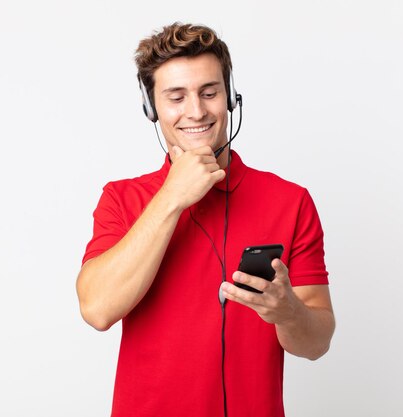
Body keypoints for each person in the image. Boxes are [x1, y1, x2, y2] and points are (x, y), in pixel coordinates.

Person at [76, 22, 335, 417]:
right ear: (152, 108)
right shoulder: (121, 199)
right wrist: (172, 197)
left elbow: (317, 344)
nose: (196, 111)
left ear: (230, 97)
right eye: (175, 97)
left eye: (209, 93)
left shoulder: (291, 201)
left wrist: (288, 311)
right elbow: (97, 310)